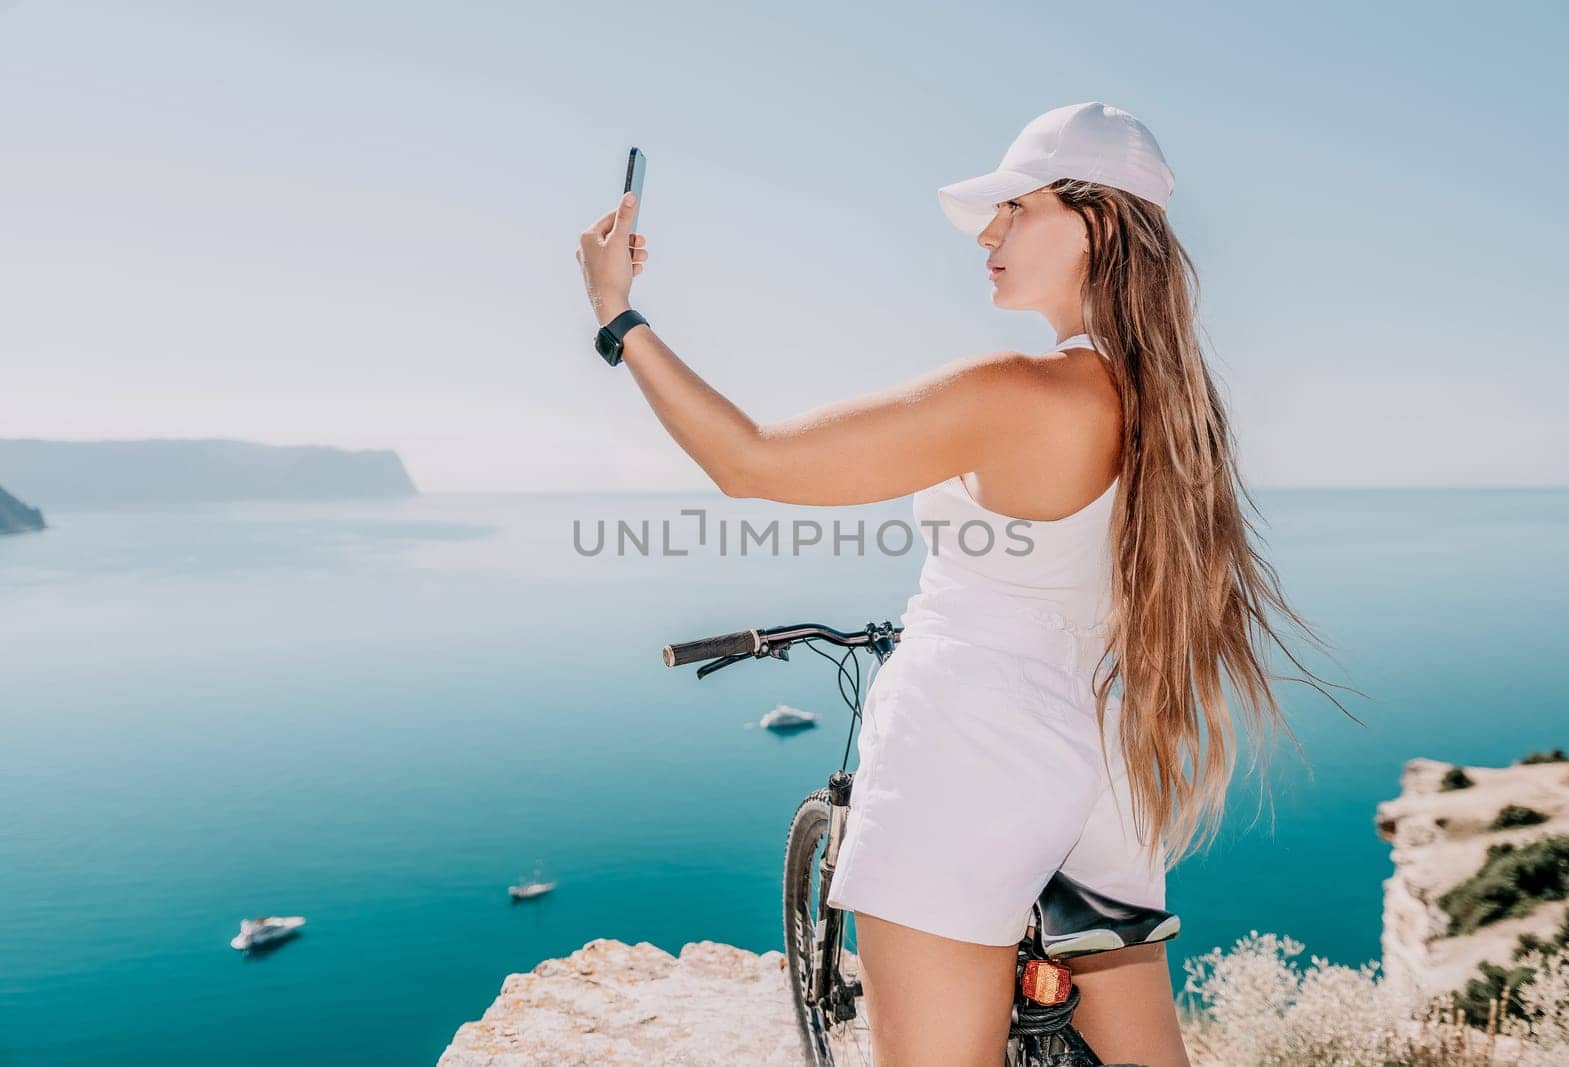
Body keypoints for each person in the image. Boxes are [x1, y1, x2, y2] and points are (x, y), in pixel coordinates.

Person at [576, 101, 1352, 1067]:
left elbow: (751, 462)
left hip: (968, 752)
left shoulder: (1020, 392)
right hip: (1108, 761)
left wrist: (619, 316)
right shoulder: (1171, 404)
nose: (989, 231)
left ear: (1096, 223)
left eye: (1015, 208)